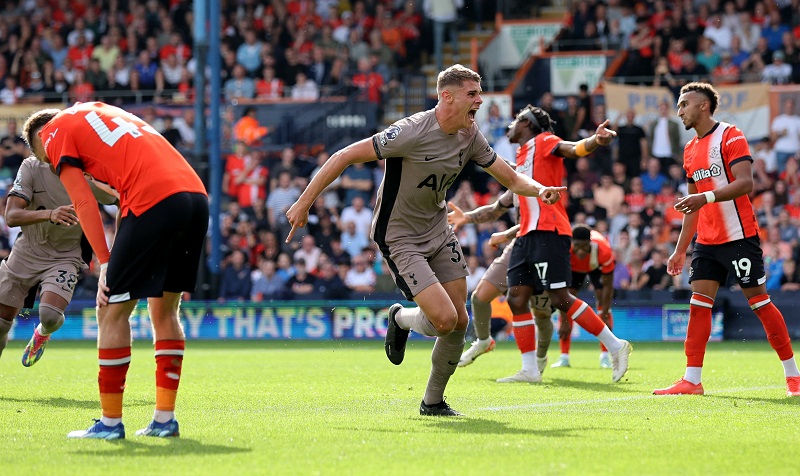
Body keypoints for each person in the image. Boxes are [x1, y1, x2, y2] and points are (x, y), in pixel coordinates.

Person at [285, 65, 567, 416]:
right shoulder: (410, 131)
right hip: (399, 235)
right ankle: (401, 318)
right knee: (444, 320)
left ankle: (432, 402)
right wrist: (303, 202)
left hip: (437, 230)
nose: (480, 100)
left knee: (459, 322)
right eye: (472, 94)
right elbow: (344, 156)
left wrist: (542, 191)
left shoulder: (471, 134)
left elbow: (510, 177)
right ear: (447, 97)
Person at [22, 101, 209, 438]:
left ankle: (110, 424)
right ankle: (164, 420)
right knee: (164, 311)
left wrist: (106, 264)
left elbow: (83, 202)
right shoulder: (95, 111)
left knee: (109, 310)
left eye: (47, 160)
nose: (52, 166)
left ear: (40, 138)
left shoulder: (52, 132)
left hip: (154, 198)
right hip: (194, 197)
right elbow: (125, 203)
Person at [654, 82, 800, 397]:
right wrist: (681, 251)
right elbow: (692, 206)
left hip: (739, 236)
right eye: (679, 105)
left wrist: (704, 197)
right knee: (698, 306)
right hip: (707, 242)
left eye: (684, 104)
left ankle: (793, 375)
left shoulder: (730, 136)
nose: (680, 110)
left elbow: (746, 184)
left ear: (704, 105)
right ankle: (692, 380)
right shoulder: (690, 150)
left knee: (760, 303)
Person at [502, 105, 632, 384]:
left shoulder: (544, 139)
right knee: (516, 298)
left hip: (549, 229)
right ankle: (530, 370)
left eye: (516, 120)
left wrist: (595, 141)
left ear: (527, 122)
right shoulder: (521, 152)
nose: (510, 125)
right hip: (526, 234)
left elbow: (572, 149)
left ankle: (615, 346)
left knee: (560, 298)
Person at [0, 158, 117, 366]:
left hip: (66, 254)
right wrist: (50, 214)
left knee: (50, 316)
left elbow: (118, 198)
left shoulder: (86, 173)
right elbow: (11, 216)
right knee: (1, 323)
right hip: (27, 249)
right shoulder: (30, 166)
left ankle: (43, 333)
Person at [447, 190, 555, 380]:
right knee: (479, 297)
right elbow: (495, 210)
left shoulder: (541, 180)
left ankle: (539, 357)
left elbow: (542, 221)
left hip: (544, 249)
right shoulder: (516, 178)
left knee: (542, 313)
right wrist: (467, 217)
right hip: (517, 246)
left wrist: (506, 233)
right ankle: (483, 340)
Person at [550, 224, 616, 369]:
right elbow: (560, 293)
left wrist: (605, 313)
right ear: (572, 243)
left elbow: (607, 286)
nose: (580, 251)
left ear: (590, 243)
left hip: (595, 267)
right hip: (573, 270)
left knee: (601, 300)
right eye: (577, 246)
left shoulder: (603, 251)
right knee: (568, 300)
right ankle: (564, 357)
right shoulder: (563, 250)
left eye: (584, 247)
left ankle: (605, 357)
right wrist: (565, 320)